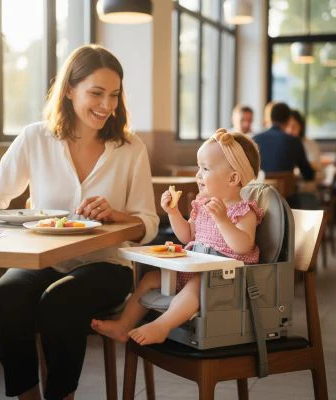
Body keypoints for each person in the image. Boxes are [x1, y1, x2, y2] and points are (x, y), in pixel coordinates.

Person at [0, 44, 159, 400]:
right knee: (3, 299)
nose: (107, 105)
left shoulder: (130, 148)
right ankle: (29, 396)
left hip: (107, 266)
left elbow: (148, 223)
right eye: (96, 93)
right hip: (44, 261)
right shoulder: (36, 137)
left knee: (60, 302)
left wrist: (116, 214)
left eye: (114, 95)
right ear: (69, 90)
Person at [92, 128, 263, 346]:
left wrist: (223, 221)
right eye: (198, 167)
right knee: (149, 279)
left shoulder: (244, 211)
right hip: (195, 271)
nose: (198, 175)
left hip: (225, 281)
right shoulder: (202, 204)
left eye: (205, 168)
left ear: (233, 178)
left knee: (197, 285)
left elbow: (243, 246)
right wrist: (173, 213)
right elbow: (187, 236)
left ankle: (161, 326)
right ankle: (123, 325)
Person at [253, 102, 315, 182]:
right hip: (285, 190)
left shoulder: (255, 139)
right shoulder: (294, 142)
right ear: (288, 119)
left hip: (259, 188)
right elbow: (308, 175)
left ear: (271, 118)